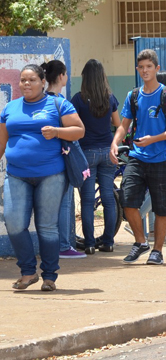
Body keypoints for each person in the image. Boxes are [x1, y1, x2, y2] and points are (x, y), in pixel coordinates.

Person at [0, 64, 85, 291]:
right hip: (16, 175)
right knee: (14, 223)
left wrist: (57, 131)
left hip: (51, 175)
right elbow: (1, 142)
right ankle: (28, 271)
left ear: (42, 82)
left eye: (32, 80)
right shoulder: (10, 108)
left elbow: (79, 130)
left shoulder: (57, 104)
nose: (26, 84)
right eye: (23, 80)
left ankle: (49, 276)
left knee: (47, 226)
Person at [111, 49, 166, 265]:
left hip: (160, 158)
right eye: (141, 67)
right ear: (138, 69)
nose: (145, 70)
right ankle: (141, 242)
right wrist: (114, 142)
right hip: (136, 157)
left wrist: (153, 139)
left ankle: (157, 251)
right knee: (127, 200)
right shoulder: (133, 96)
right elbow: (123, 125)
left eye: (149, 66)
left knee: (161, 207)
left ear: (157, 69)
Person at [72, 59, 121, 253]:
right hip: (108, 151)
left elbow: (72, 125)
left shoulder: (78, 99)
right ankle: (108, 242)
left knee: (87, 199)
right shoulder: (110, 98)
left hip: (87, 153)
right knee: (108, 197)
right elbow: (118, 123)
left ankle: (90, 244)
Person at [41, 60, 86, 259]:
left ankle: (51, 246)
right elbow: (78, 131)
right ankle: (64, 245)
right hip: (61, 160)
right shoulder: (61, 103)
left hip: (42, 160)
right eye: (66, 73)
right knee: (65, 204)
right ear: (61, 76)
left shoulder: (38, 101)